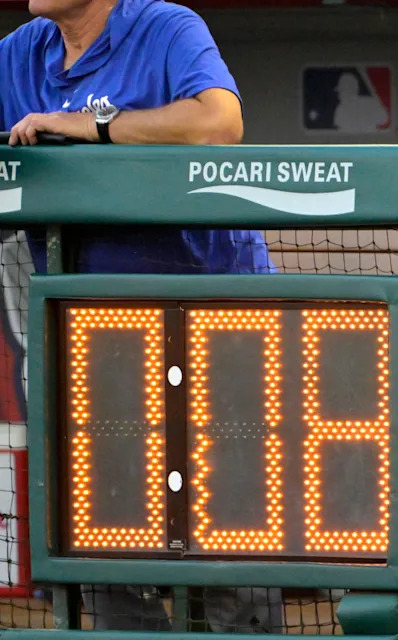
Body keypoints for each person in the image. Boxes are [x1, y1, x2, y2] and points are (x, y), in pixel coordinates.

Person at [0, 0, 281, 632]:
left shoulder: (165, 26)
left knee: (228, 526)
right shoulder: (22, 52)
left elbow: (218, 122)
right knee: (101, 532)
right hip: (95, 333)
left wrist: (87, 124)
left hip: (211, 317)